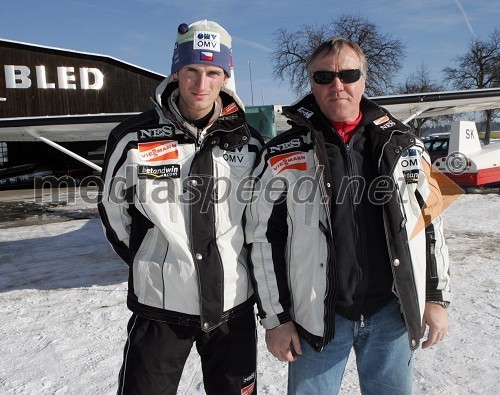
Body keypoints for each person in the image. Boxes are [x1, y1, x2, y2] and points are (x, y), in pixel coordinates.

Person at [245, 37, 451, 394]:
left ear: (363, 81)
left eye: (348, 74)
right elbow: (262, 239)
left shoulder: (406, 144)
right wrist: (277, 320)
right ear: (311, 83)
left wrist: (435, 295)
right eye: (323, 76)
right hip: (318, 320)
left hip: (392, 313)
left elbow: (431, 223)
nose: (336, 85)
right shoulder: (280, 154)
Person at [98, 20, 262, 395]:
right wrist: (151, 258)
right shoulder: (132, 138)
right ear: (176, 70)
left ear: (225, 77)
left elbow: (258, 220)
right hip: (160, 309)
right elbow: (112, 208)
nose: (200, 84)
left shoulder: (250, 144)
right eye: (191, 70)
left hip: (232, 310)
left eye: (212, 72)